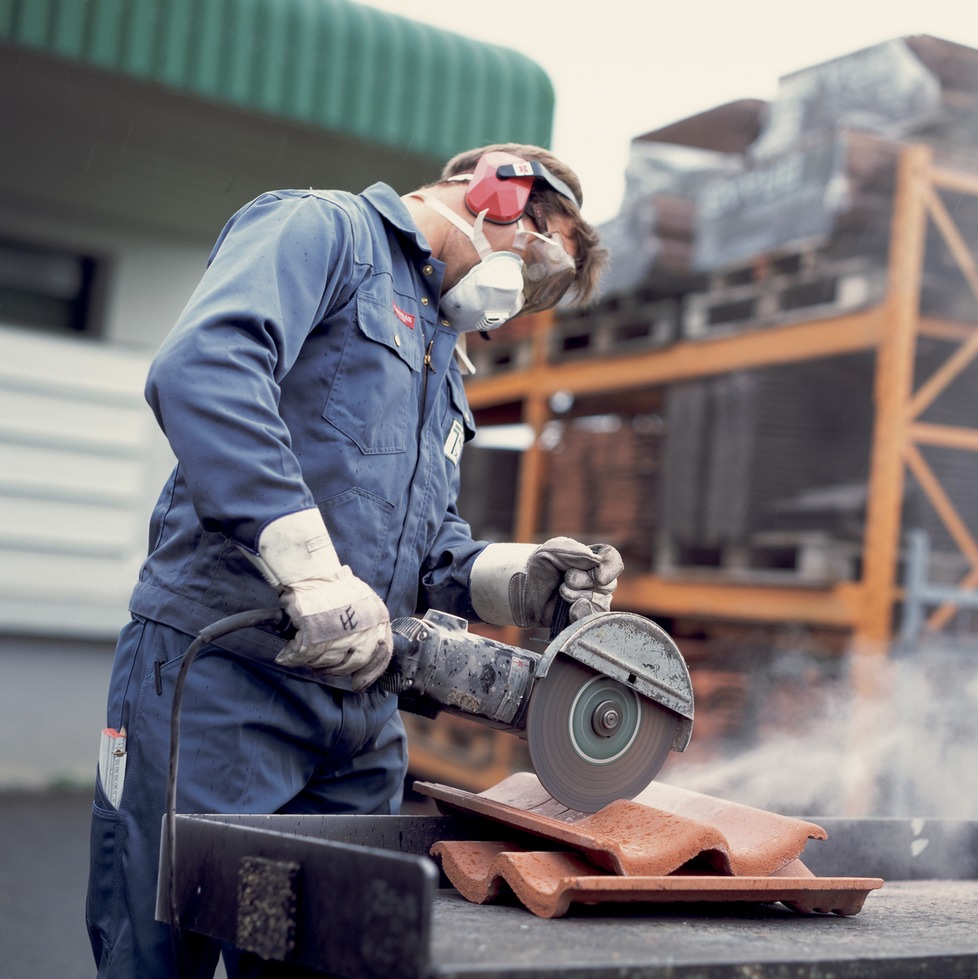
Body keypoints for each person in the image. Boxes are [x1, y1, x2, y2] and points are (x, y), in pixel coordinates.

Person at [86, 144, 621, 977]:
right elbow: (206, 368)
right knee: (161, 950)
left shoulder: (443, 360)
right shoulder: (321, 230)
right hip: (224, 679)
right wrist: (309, 569)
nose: (514, 298)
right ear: (498, 193)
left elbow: (424, 541)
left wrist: (519, 577)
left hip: (358, 721)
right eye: (534, 256)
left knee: (326, 955)